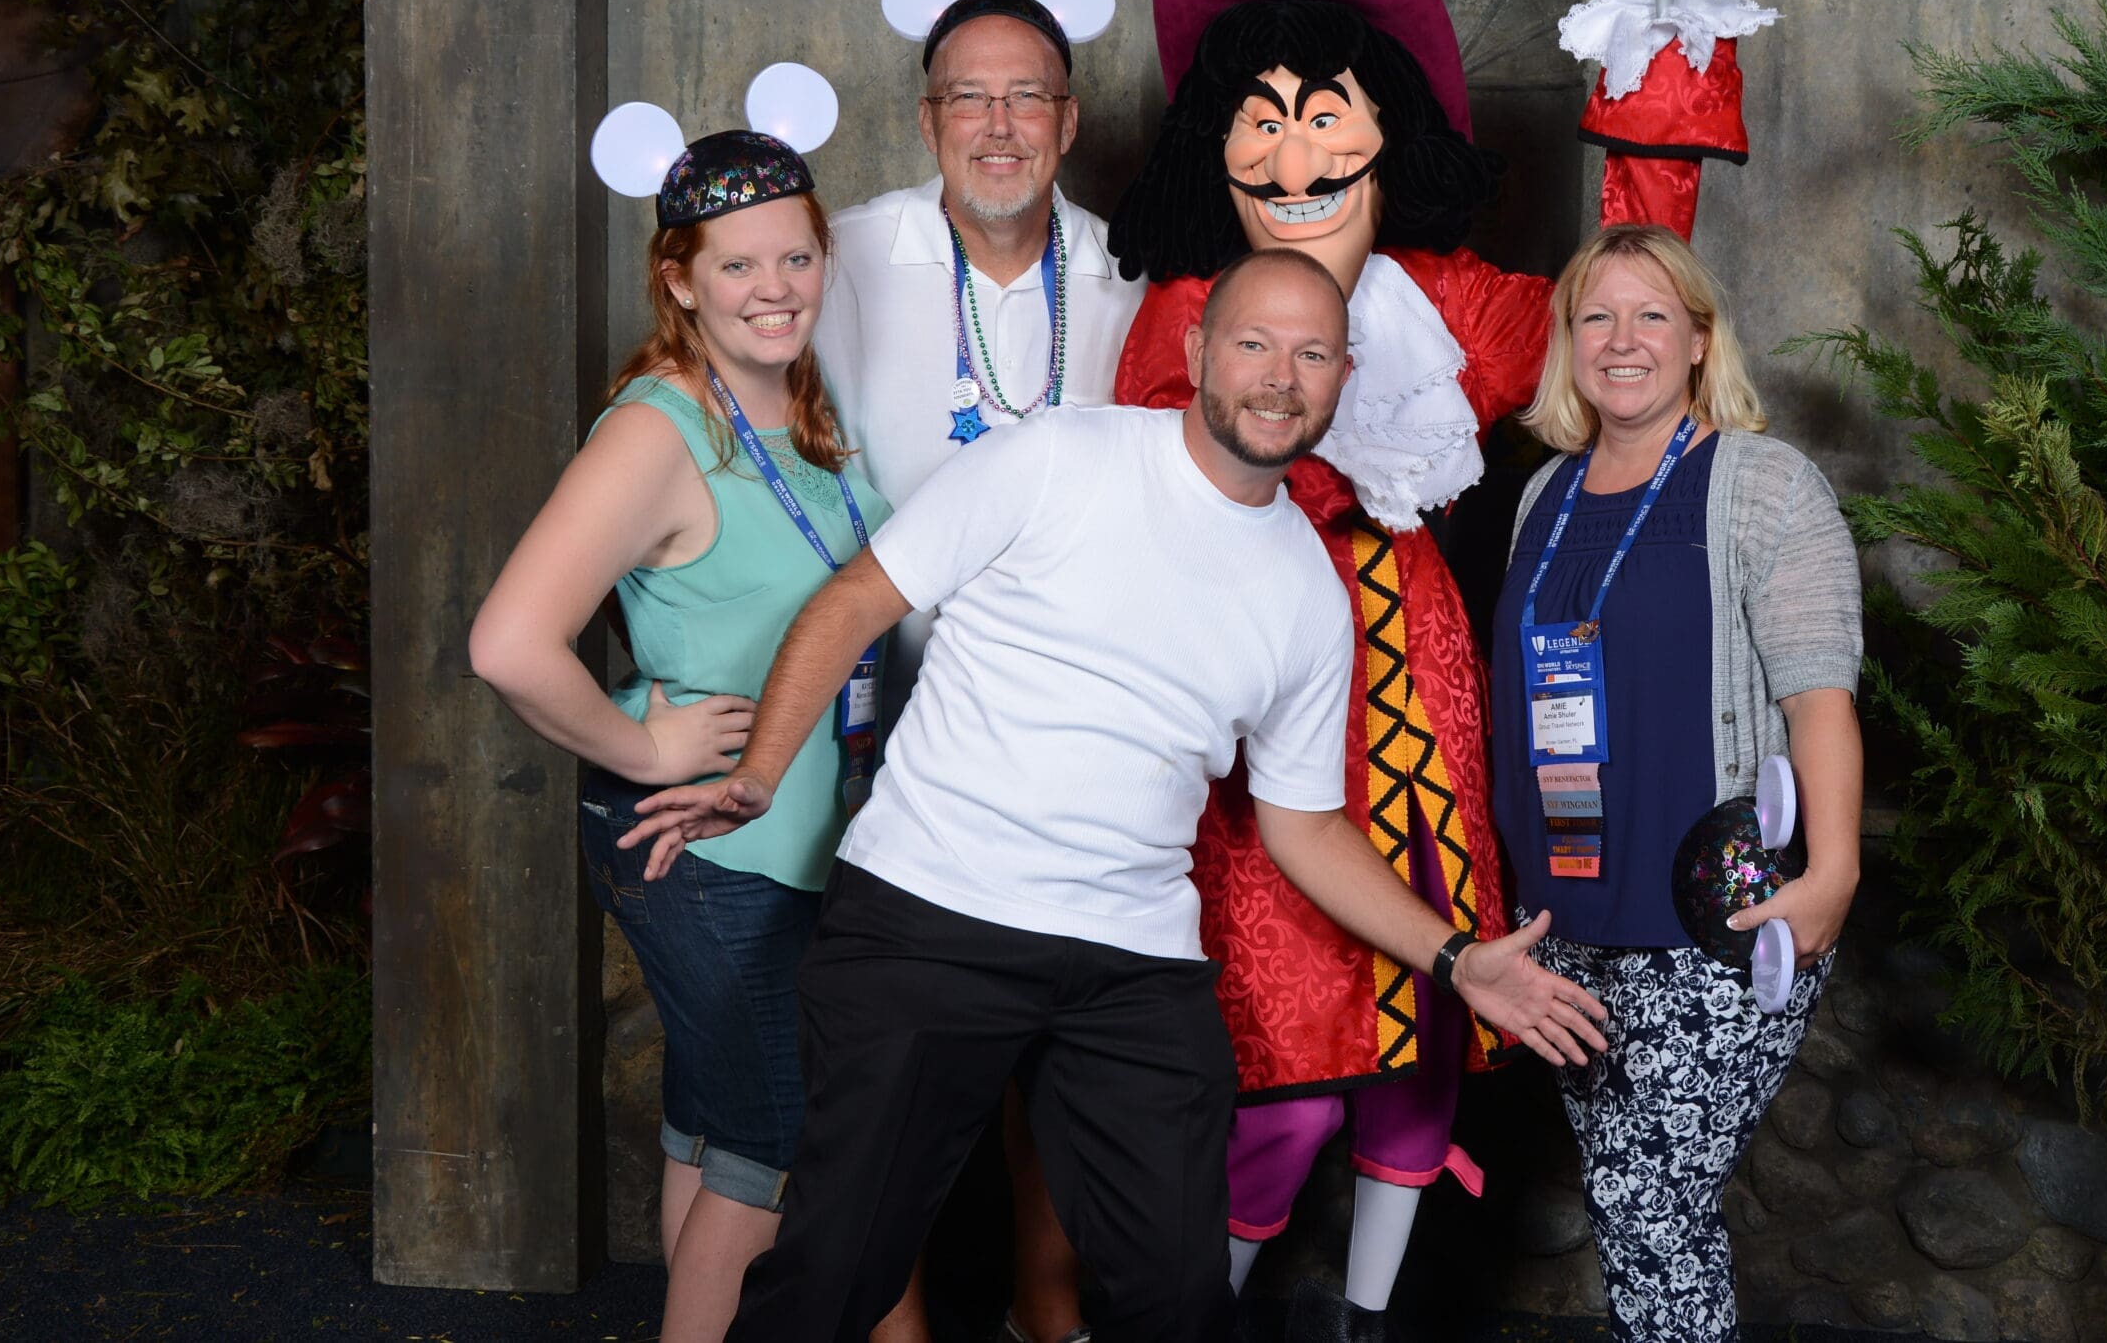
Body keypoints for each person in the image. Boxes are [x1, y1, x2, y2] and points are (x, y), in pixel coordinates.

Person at [619, 251, 1610, 1343]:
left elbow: (1302, 825)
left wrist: (1457, 959)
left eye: (1311, 353)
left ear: (1342, 378)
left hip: (1131, 963)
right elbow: (858, 599)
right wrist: (760, 772)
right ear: (1194, 353)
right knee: (834, 1272)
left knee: (1177, 1303)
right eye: (1253, 343)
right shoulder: (1056, 456)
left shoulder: (1308, 597)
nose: (1279, 376)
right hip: (929, 916)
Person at [1104, 0, 1550, 1340]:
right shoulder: (1186, 312)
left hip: (1426, 684)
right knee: (1288, 1057)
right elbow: (1154, 511)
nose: (1295, 155)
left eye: (1323, 119)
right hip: (1263, 717)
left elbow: (1614, 303)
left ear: (1384, 132)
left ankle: (1369, 1318)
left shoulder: (1451, 300)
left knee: (1421, 1052)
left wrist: (1660, 100)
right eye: (1262, 121)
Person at [466, 127, 892, 1343]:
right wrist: (643, 749)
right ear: (680, 279)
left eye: (796, 259)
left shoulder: (791, 411)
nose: (775, 290)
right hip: (714, 853)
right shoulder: (659, 429)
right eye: (740, 266)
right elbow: (507, 642)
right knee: (778, 1145)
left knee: (712, 1124)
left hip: (786, 840)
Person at [815, 0, 1146, 1343]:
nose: (998, 125)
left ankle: (1046, 1310)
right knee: (884, 1053)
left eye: (1026, 98)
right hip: (884, 714)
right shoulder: (836, 256)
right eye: (970, 96)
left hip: (1074, 722)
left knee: (1051, 1050)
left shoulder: (1135, 267)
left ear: (1068, 119)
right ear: (928, 117)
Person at [1491, 223, 1862, 1343]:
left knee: (1649, 1211)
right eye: (1595, 316)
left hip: (1717, 921)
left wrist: (1833, 874)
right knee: (1646, 1221)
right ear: (1567, 343)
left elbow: (1818, 699)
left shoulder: (1760, 486)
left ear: (1699, 339)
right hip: (1566, 935)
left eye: (1651, 315)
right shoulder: (1543, 497)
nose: (1622, 340)